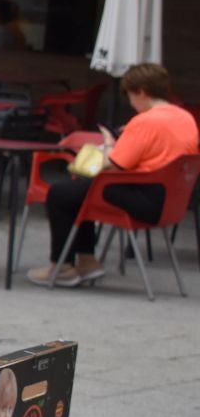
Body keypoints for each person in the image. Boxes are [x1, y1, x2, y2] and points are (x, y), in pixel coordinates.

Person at [29, 63, 198, 288]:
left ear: (142, 92)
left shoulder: (145, 121)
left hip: (143, 198)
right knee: (80, 190)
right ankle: (86, 262)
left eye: (130, 96)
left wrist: (109, 142)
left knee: (60, 194)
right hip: (169, 201)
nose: (131, 103)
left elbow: (114, 165)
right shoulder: (185, 118)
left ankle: (62, 267)